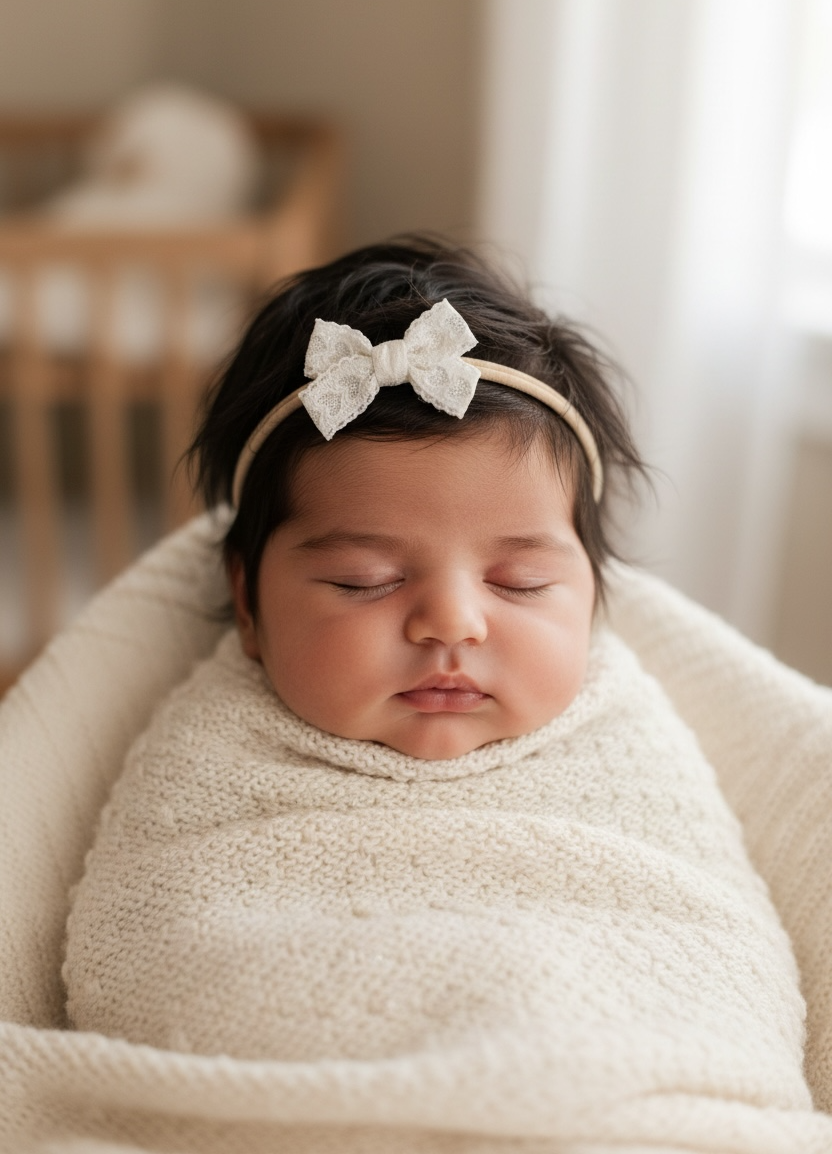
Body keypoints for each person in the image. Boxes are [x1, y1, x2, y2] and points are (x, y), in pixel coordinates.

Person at [62, 237, 826, 1149]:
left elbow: (694, 930)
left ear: (591, 598)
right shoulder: (209, 747)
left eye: (520, 585)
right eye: (363, 580)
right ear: (248, 606)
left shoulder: (628, 736)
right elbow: (159, 945)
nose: (452, 623)